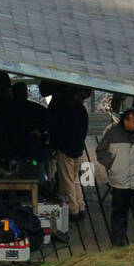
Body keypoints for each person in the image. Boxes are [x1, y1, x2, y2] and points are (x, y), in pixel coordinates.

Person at [95, 108, 134, 247]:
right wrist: (112, 165)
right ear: (126, 121)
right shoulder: (112, 133)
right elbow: (100, 151)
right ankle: (117, 242)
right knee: (119, 214)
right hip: (120, 182)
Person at [48, 85, 90, 222]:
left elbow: (57, 130)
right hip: (78, 147)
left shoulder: (62, 110)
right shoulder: (81, 109)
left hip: (66, 149)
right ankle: (81, 206)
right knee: (75, 179)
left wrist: (56, 146)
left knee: (67, 181)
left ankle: (73, 210)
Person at [7, 81, 50, 169]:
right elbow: (49, 118)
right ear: (26, 93)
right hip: (33, 147)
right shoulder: (35, 108)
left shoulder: (7, 109)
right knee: (37, 172)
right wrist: (41, 131)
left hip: (13, 147)